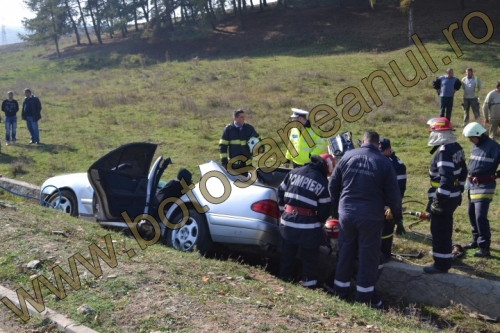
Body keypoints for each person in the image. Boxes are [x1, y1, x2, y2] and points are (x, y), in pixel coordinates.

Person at [328, 131, 402, 308]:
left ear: (362, 141)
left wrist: (336, 210)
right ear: (378, 145)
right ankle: (363, 298)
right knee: (368, 258)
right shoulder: (384, 163)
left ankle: (340, 292)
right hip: (370, 217)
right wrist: (398, 219)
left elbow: (333, 185)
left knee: (345, 253)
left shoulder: (347, 157)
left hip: (347, 214)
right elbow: (394, 195)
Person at [278, 153, 336, 288]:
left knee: (286, 259)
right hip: (308, 228)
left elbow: (280, 192)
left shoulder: (294, 172)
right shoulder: (322, 182)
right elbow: (325, 209)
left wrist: (283, 212)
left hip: (286, 224)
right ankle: (308, 287)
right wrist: (319, 225)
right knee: (310, 261)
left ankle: (283, 284)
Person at [424, 117, 467, 274]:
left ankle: (440, 265)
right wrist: (460, 190)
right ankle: (444, 257)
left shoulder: (444, 152)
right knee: (445, 228)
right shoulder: (457, 147)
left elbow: (446, 178)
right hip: (453, 196)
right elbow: (463, 171)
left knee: (439, 231)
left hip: (445, 197)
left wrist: (439, 200)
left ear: (439, 133)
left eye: (433, 131)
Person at [462, 122, 500, 258]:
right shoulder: (476, 146)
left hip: (485, 186)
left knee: (480, 216)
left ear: (479, 134)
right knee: (471, 213)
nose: (470, 140)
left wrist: (497, 175)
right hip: (472, 185)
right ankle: (475, 240)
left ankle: (484, 247)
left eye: (472, 137)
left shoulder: (494, 147)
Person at [378, 138, 407, 263]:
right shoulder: (381, 160)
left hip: (388, 204)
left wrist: (393, 208)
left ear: (389, 150)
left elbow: (399, 190)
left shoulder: (396, 165)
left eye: (381, 151)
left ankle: (384, 256)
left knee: (386, 231)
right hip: (376, 203)